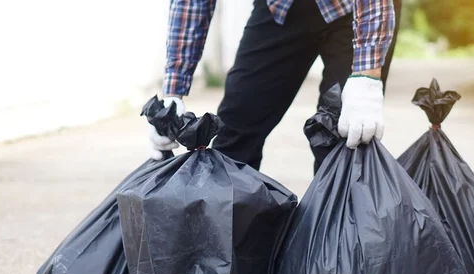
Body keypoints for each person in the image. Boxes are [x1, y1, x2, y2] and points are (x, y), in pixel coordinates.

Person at [148, 0, 401, 172]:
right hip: (281, 8)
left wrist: (367, 76)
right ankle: (223, 246)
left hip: (355, 11)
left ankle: (338, 248)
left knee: (342, 138)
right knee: (233, 133)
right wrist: (174, 91)